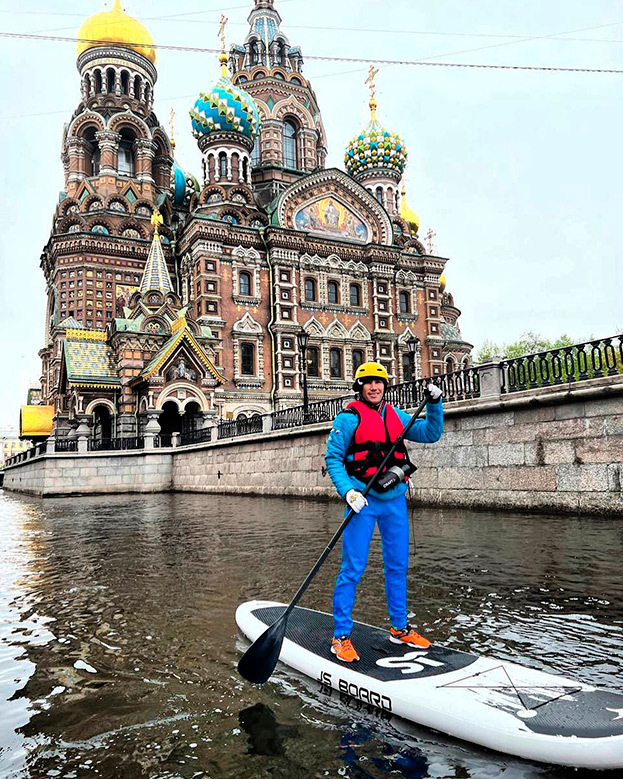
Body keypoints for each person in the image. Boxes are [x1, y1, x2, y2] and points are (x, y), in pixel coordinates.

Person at [324, 361, 443, 662]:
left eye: (379, 382)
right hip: (362, 501)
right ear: (360, 388)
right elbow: (333, 459)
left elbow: (430, 433)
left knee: (397, 566)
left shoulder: (396, 415)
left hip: (394, 501)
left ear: (385, 386)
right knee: (353, 568)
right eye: (368, 383)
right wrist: (348, 491)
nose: (374, 387)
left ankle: (399, 628)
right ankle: (340, 636)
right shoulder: (349, 419)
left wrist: (435, 403)